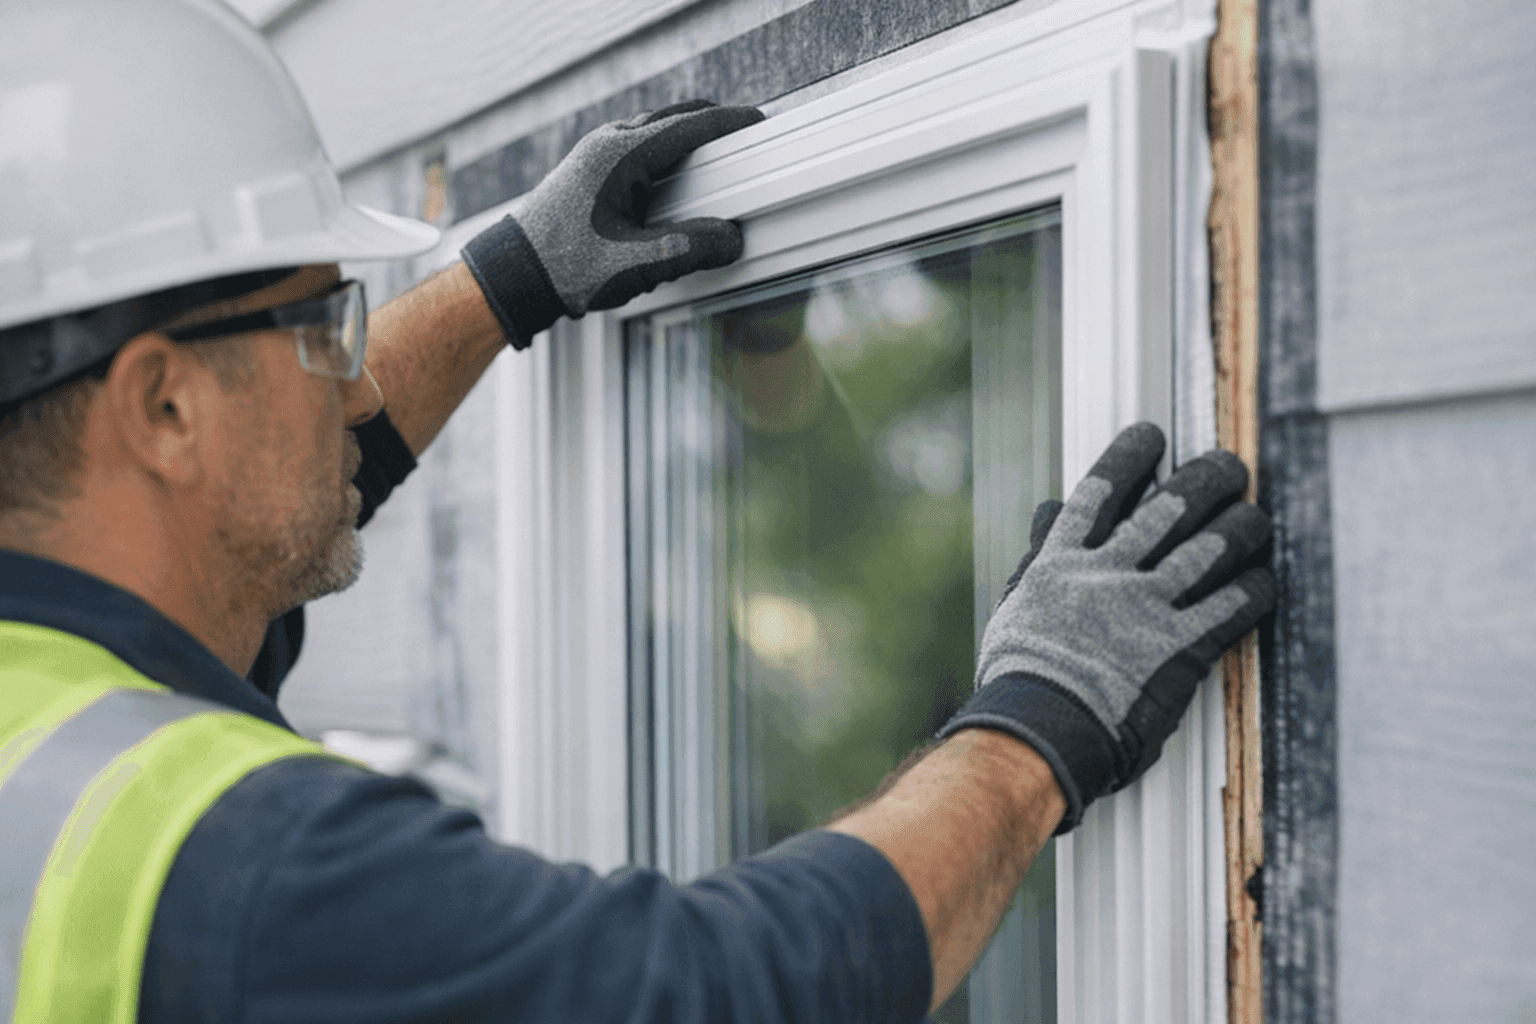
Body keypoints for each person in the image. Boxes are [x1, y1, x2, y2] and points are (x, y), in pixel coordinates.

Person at [0, 1, 1277, 1022]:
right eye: (324, 330)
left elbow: (253, 532)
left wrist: (500, 287)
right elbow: (709, 990)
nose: (358, 384)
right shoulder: (232, 858)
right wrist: (1037, 726)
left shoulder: (48, 705)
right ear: (164, 407)